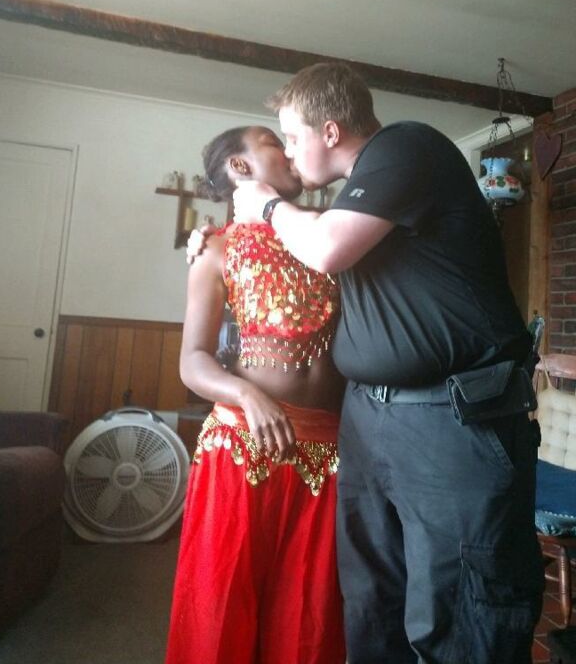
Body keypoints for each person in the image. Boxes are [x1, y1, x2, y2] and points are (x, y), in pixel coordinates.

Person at [230, 63, 544, 664]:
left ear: (330, 130)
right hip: (370, 418)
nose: (289, 153)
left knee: (462, 621)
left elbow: (325, 248)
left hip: (451, 418)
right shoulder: (357, 197)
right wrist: (214, 242)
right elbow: (311, 256)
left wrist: (265, 206)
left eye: (292, 137)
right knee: (374, 607)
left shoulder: (408, 146)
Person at [165, 125, 346, 664]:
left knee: (310, 619)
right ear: (240, 167)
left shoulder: (327, 235)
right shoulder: (215, 249)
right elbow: (192, 361)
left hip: (330, 448)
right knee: (222, 609)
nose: (289, 151)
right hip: (244, 444)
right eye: (273, 142)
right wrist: (247, 394)